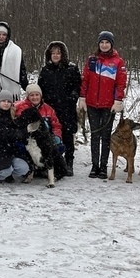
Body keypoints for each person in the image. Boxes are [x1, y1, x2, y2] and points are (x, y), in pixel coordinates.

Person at [78, 31, 127, 179]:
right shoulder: (92, 60)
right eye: (102, 42)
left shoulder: (118, 62)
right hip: (92, 104)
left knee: (105, 137)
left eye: (107, 42)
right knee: (95, 135)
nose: (104, 45)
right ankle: (95, 166)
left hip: (108, 105)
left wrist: (118, 100)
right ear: (98, 44)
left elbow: (121, 83)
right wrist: (82, 97)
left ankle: (104, 166)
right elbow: (85, 80)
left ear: (111, 44)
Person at [38, 41, 82, 177]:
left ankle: (69, 162)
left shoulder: (71, 69)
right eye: (53, 53)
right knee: (51, 135)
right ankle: (54, 161)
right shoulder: (45, 71)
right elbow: (41, 89)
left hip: (67, 107)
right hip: (50, 108)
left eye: (58, 53)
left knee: (68, 135)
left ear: (63, 54)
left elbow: (77, 87)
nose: (56, 55)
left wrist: (73, 97)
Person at [15, 83, 67, 179]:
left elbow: (56, 125)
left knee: (58, 148)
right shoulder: (20, 108)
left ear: (41, 95)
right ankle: (30, 169)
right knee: (22, 149)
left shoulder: (48, 109)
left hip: (44, 139)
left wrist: (57, 136)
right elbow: (18, 124)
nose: (35, 97)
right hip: (27, 139)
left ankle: (49, 169)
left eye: (37, 94)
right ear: (28, 96)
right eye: (32, 95)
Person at [0, 90, 29, 183]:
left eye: (9, 101)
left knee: (23, 168)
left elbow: (18, 131)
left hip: (11, 151)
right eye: (3, 101)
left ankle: (10, 175)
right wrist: (19, 133)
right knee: (5, 171)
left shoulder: (13, 115)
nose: (6, 103)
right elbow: (3, 133)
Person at [0, 21, 28, 112]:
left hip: (11, 86)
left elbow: (21, 69)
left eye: (4, 34)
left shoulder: (16, 50)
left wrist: (26, 86)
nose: (1, 37)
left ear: (7, 35)